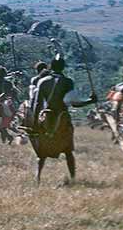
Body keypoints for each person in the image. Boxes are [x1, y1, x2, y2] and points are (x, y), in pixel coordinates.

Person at [27, 55, 96, 183]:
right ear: (63, 67)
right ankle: (73, 178)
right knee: (68, 151)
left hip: (46, 118)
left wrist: (35, 123)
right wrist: (90, 101)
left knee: (42, 152)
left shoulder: (43, 81)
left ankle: (38, 178)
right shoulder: (68, 82)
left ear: (50, 66)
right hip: (62, 118)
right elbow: (73, 102)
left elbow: (36, 104)